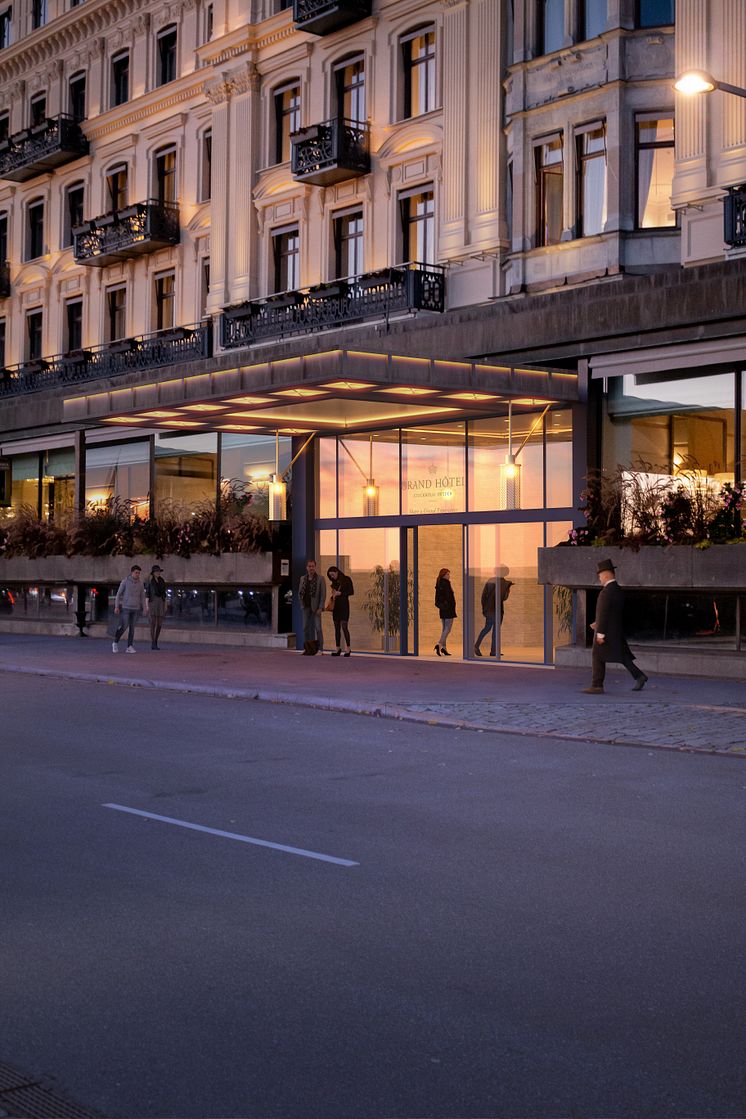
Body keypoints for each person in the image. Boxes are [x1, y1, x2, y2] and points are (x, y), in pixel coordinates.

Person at [583, 558, 648, 694]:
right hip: (615, 631)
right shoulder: (618, 590)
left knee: (597, 655)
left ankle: (597, 685)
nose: (600, 579)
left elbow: (605, 612)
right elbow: (612, 613)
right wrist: (598, 623)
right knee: (622, 657)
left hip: (606, 633)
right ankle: (640, 676)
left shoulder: (606, 592)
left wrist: (600, 634)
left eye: (600, 576)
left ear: (606, 575)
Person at [474, 567, 514, 657]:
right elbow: (503, 597)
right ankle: (492, 651)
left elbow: (483, 596)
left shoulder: (490, 580)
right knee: (495, 631)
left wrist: (484, 608)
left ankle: (478, 646)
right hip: (497, 609)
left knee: (487, 628)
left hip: (489, 609)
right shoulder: (504, 583)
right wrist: (508, 589)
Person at [112, 563, 148, 653]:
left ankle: (129, 646)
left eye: (139, 573)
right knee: (124, 627)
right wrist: (116, 606)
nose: (137, 574)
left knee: (132, 628)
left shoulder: (140, 584)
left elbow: (143, 597)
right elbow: (118, 594)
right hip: (126, 608)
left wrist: (145, 607)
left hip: (136, 609)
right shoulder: (125, 581)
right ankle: (115, 642)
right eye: (136, 572)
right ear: (132, 572)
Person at [298, 558, 326, 655]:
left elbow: (323, 595)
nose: (311, 568)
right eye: (309, 566)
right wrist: (302, 605)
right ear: (307, 567)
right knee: (305, 627)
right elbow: (300, 593)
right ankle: (307, 649)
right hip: (306, 607)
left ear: (315, 567)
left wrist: (321, 607)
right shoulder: (302, 579)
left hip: (316, 608)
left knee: (318, 628)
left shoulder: (320, 579)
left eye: (313, 566)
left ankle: (320, 649)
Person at [326, 565, 354, 656]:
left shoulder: (346, 579)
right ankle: (337, 648)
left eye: (333, 574)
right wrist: (333, 596)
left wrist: (341, 593)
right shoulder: (333, 582)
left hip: (344, 606)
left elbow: (351, 592)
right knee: (336, 628)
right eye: (330, 576)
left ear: (337, 572)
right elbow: (334, 594)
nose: (332, 577)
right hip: (336, 606)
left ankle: (348, 649)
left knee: (344, 627)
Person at [434, 567, 456, 657]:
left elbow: (438, 599)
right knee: (448, 629)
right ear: (443, 575)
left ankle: (444, 648)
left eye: (449, 574)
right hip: (448, 609)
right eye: (447, 574)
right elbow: (449, 598)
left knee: (444, 629)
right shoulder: (446, 584)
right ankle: (439, 644)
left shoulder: (439, 583)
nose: (449, 575)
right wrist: (449, 606)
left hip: (442, 609)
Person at [145, 564, 167, 650]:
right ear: (153, 573)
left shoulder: (162, 581)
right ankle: (153, 642)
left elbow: (164, 594)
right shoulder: (150, 582)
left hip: (161, 602)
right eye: (156, 571)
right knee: (152, 623)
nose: (158, 573)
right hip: (152, 602)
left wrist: (165, 604)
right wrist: (147, 606)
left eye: (159, 571)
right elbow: (147, 594)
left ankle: (156, 640)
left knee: (160, 623)